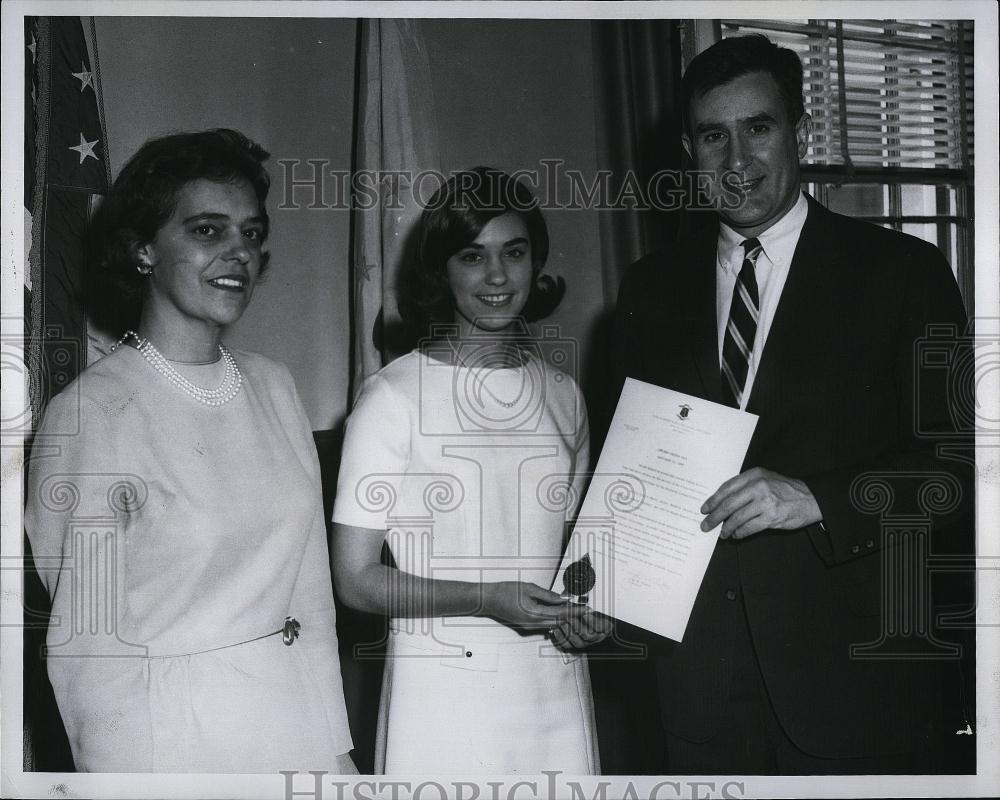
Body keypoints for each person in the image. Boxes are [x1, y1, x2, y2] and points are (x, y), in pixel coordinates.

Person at [610, 35, 974, 774]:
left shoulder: (903, 272)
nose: (735, 159)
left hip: (860, 689)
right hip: (700, 693)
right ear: (688, 149)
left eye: (759, 127)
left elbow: (961, 470)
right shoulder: (649, 289)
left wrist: (820, 498)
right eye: (713, 135)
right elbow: (631, 478)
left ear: (801, 133)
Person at [24, 129, 356, 773]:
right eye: (208, 231)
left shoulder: (274, 384)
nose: (239, 253)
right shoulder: (92, 416)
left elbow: (310, 598)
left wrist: (336, 748)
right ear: (143, 248)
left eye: (252, 234)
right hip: (171, 741)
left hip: (294, 720)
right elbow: (88, 653)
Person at [331, 167, 609, 774]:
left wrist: (590, 608)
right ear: (442, 270)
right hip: (444, 694)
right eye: (471, 256)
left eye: (514, 251)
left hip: (552, 687)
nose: (497, 276)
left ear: (536, 261)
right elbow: (355, 580)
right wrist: (485, 600)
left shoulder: (564, 394)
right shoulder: (393, 397)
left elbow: (573, 559)